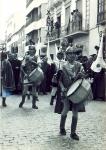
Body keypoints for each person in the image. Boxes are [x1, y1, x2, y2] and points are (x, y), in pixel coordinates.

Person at [55, 46, 88, 140]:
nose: (72, 56)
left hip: (76, 92)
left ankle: (73, 133)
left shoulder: (79, 65)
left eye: (74, 54)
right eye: (70, 54)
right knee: (65, 111)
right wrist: (62, 88)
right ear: (67, 55)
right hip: (66, 92)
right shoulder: (63, 66)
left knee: (75, 112)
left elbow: (83, 77)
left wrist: (82, 75)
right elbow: (59, 80)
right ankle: (62, 128)